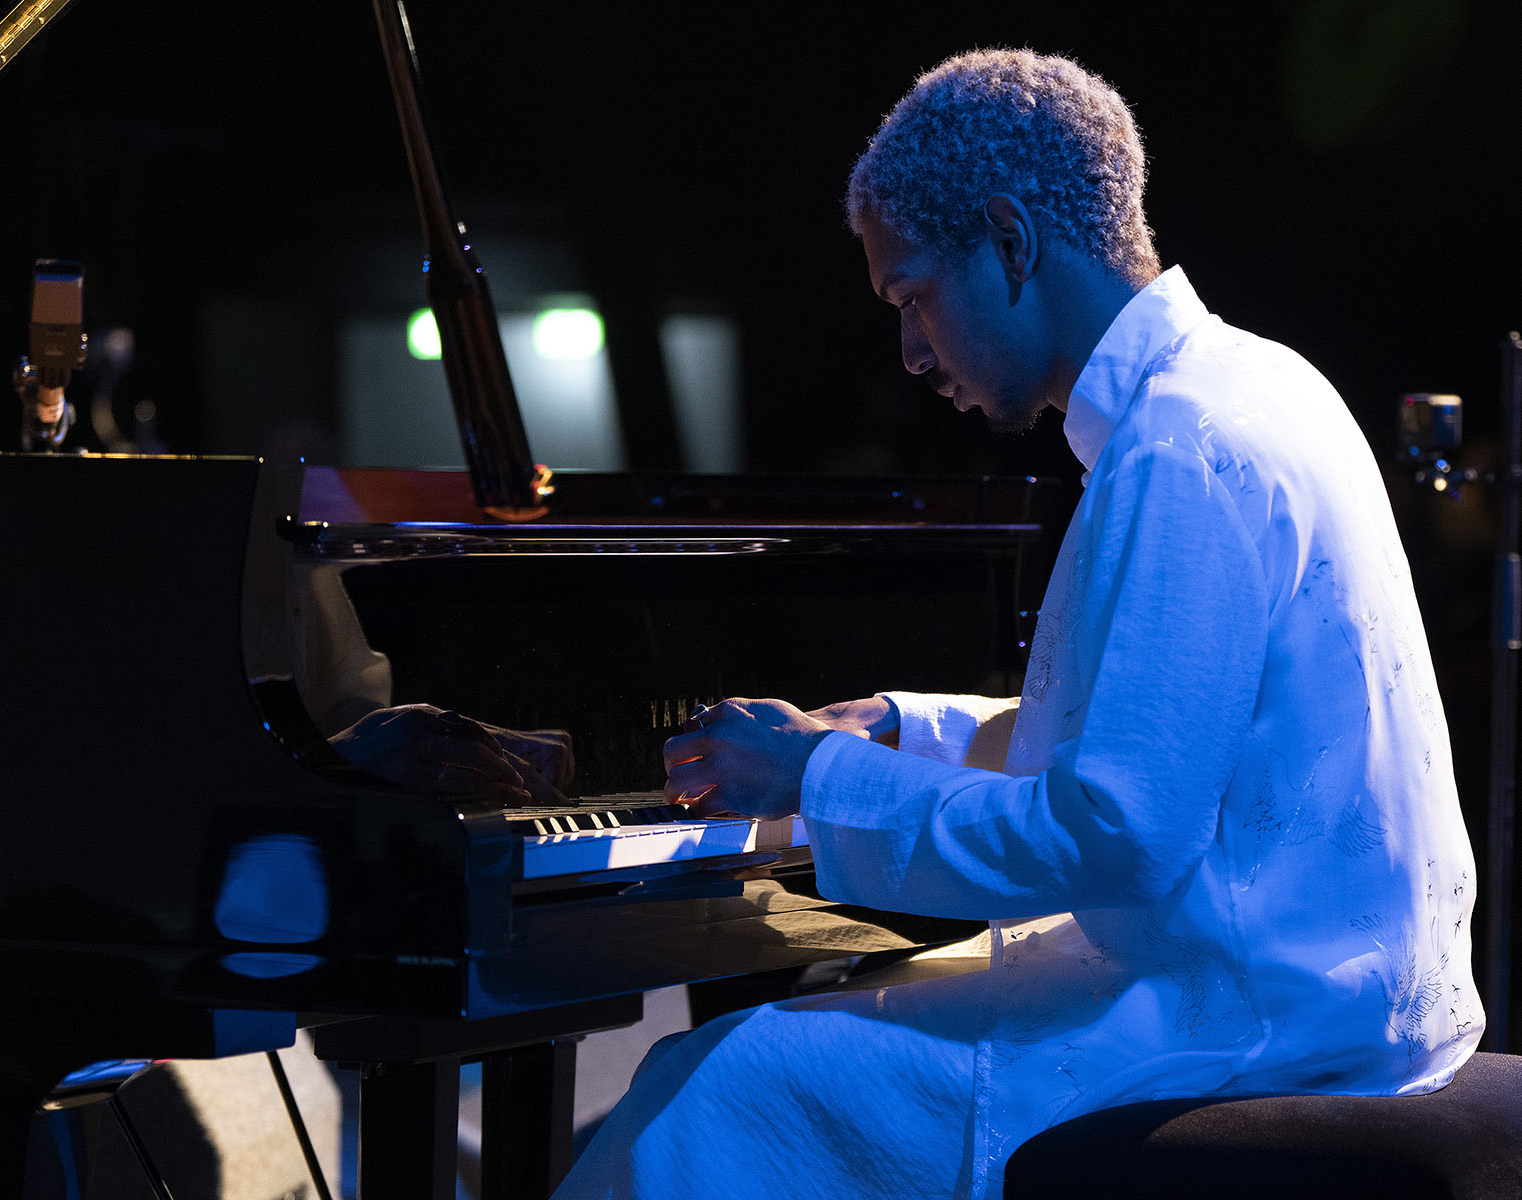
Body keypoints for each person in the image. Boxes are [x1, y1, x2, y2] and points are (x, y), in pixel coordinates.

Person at [552, 48, 1481, 1200]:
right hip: (1324, 990)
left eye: (912, 297)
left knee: (714, 1084)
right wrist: (901, 728)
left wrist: (817, 777)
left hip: (1248, 1028)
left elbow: (1117, 836)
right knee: (797, 1032)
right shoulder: (1258, 384)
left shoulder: (1180, 447)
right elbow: (1162, 743)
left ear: (1009, 240)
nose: (910, 352)